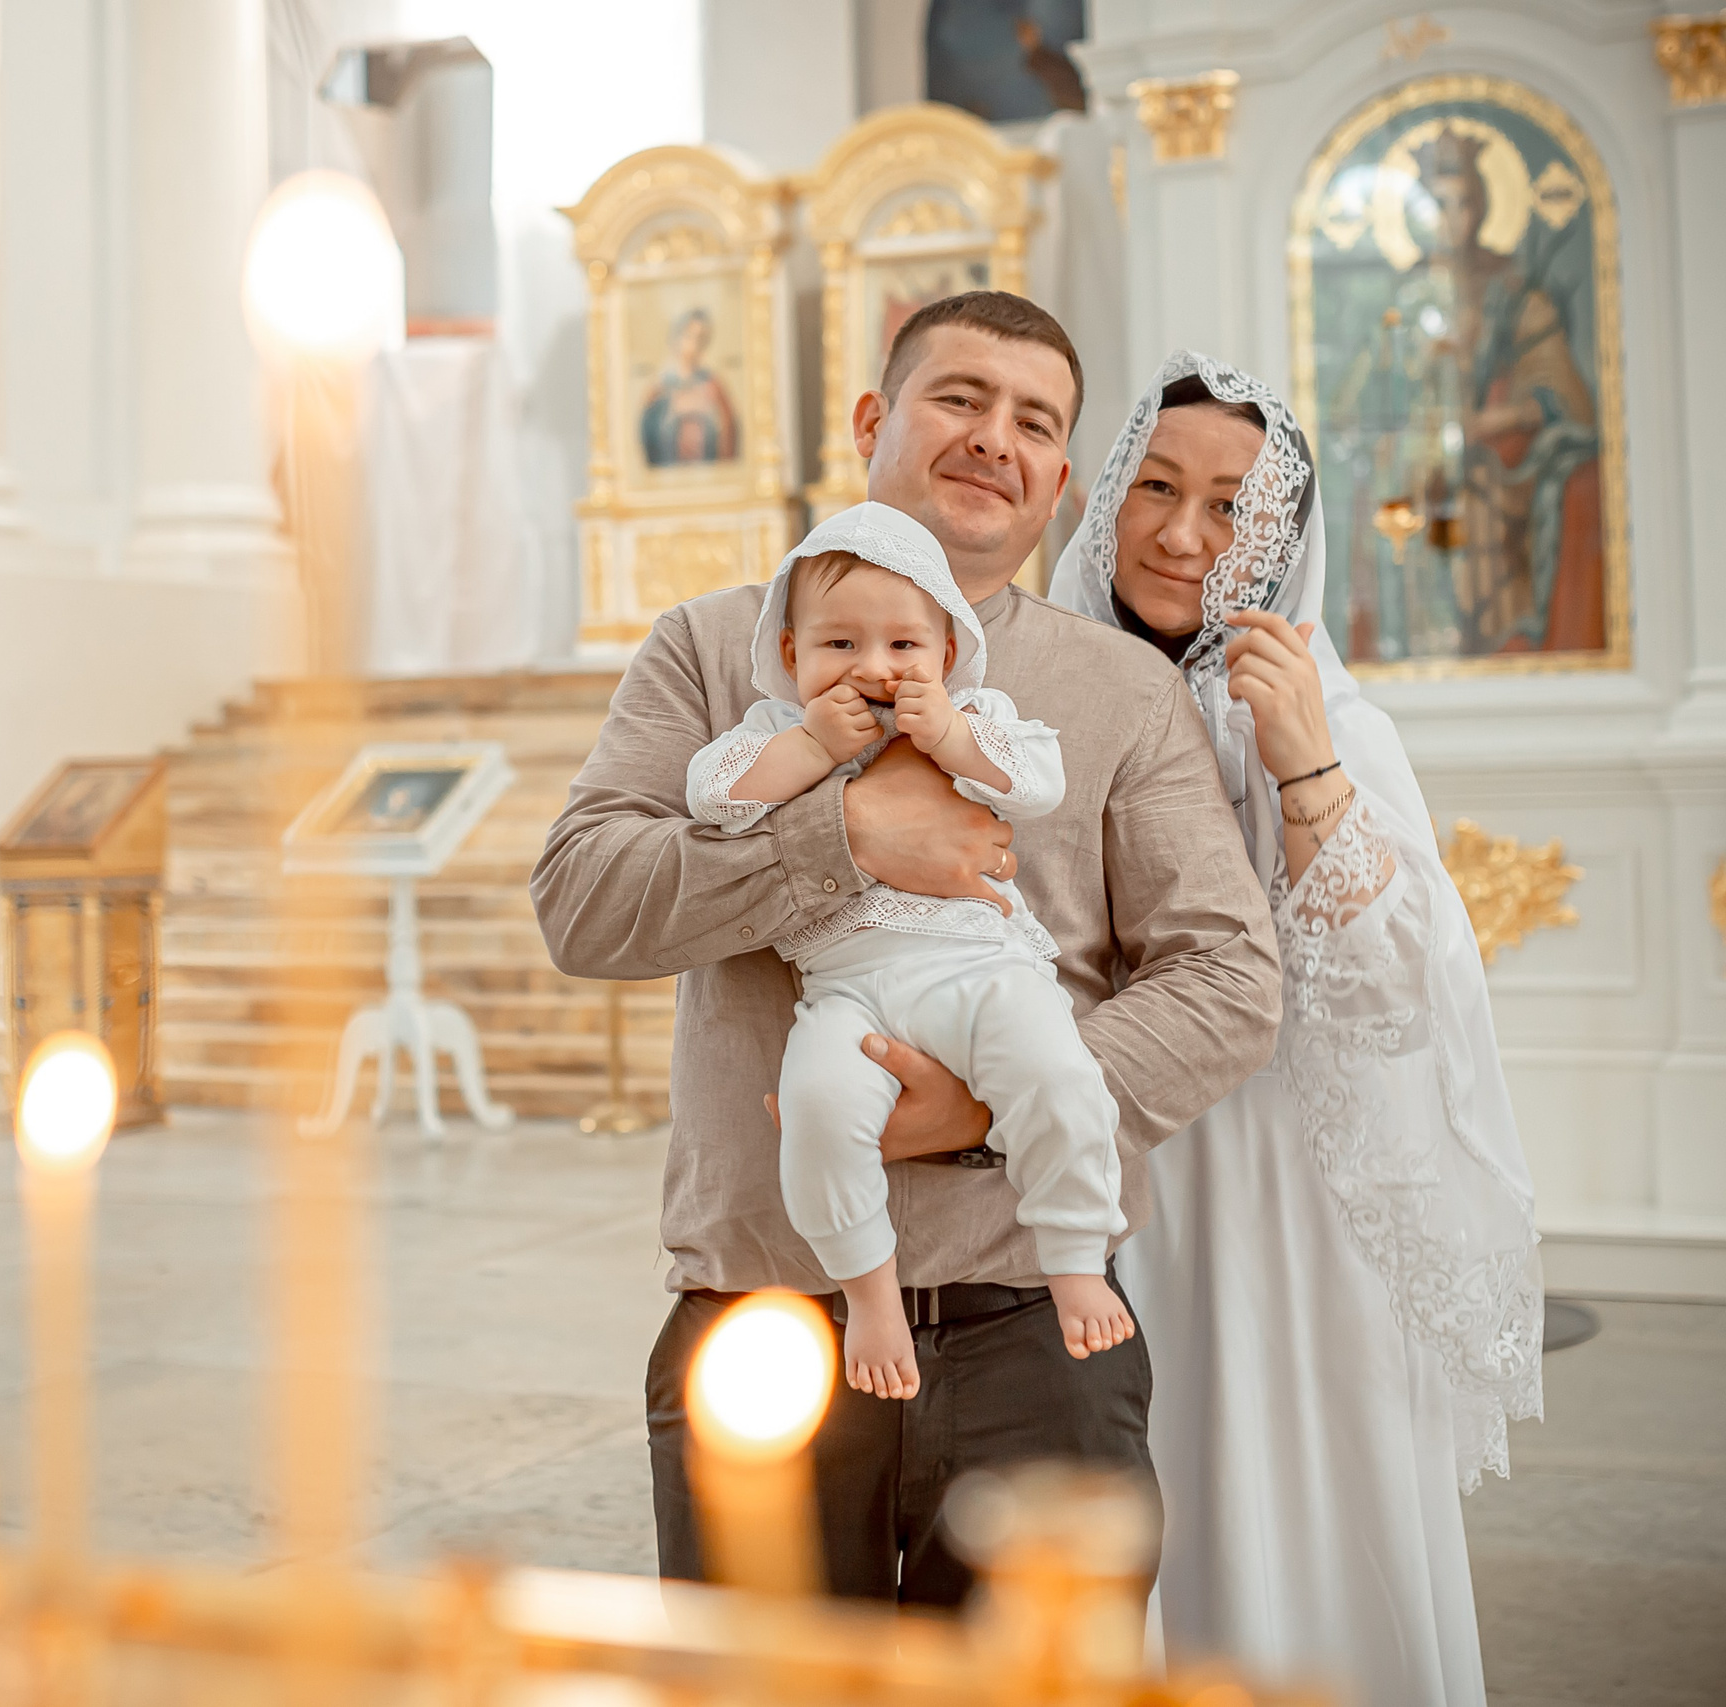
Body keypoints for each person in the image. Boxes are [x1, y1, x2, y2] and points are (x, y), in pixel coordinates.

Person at [531, 291, 1281, 1606]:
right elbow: (584, 903)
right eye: (960, 398)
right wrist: (841, 836)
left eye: (1034, 422)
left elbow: (1229, 978)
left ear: (1060, 478)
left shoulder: (1120, 690)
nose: (995, 438)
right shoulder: (710, 651)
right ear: (873, 418)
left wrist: (983, 1109)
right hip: (763, 1323)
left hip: (1034, 1331)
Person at [1050, 351, 1541, 1705]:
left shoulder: (1323, 713)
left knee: (1291, 1516)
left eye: (1230, 506)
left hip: (1274, 1196)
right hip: (1095, 1179)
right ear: (1107, 492)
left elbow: (1394, 995)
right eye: (1155, 487)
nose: (1182, 534)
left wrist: (1305, 764)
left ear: (1279, 535)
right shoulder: (1036, 686)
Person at [681, 501, 1131, 1399]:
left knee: (1058, 1074)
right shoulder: (776, 728)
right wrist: (812, 745)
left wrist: (951, 735)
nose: (874, 668)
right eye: (839, 645)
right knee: (816, 1108)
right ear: (790, 654)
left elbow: (1040, 779)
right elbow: (713, 795)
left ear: (948, 652)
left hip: (980, 968)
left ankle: (1076, 1255)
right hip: (846, 991)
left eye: (903, 645)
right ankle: (869, 1292)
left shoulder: (975, 714)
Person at [639, 307, 740, 467]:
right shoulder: (660, 387)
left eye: (701, 338)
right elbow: (649, 435)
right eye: (689, 336)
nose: (694, 344)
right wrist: (674, 410)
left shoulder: (712, 384)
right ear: (676, 337)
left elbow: (729, 431)